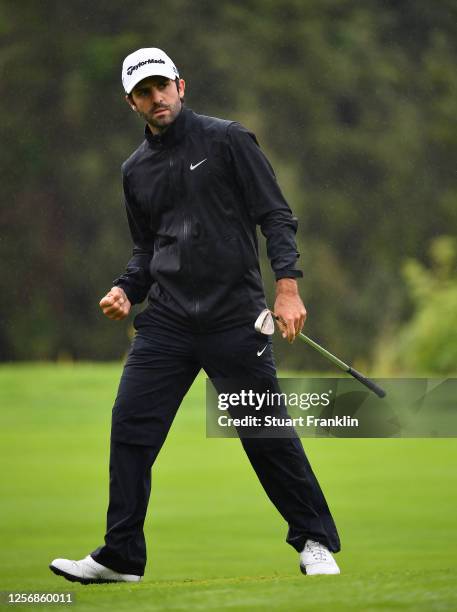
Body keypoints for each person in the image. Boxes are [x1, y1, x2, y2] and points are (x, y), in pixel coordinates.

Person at [49, 48, 341, 584]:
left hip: (235, 318)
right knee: (130, 427)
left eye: (163, 85)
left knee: (264, 432)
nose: (156, 97)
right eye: (144, 91)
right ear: (131, 102)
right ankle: (121, 557)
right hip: (168, 322)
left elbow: (275, 216)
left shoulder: (229, 140)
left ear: (181, 86)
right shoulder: (134, 170)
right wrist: (124, 288)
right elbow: (146, 251)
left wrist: (288, 289)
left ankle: (315, 540)